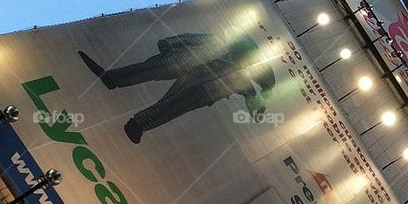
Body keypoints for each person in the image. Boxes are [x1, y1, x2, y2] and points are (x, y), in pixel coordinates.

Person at [78, 31, 277, 143]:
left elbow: (250, 96)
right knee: (150, 69)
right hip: (184, 62)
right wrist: (169, 43)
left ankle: (138, 124)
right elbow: (192, 38)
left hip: (203, 89)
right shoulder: (219, 43)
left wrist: (258, 108)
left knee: (173, 105)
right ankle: (112, 78)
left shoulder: (240, 74)